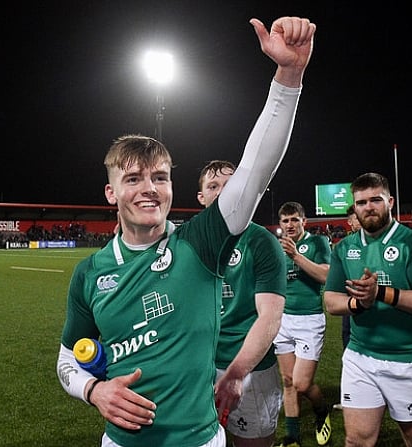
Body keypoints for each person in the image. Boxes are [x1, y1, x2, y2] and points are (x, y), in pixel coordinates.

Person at [55, 16, 316, 447]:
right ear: (110, 192)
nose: (149, 189)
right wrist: (94, 390)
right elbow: (68, 359)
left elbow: (254, 169)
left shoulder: (200, 243)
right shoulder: (90, 273)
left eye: (159, 177)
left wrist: (289, 76)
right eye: (134, 178)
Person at [323, 173, 412, 447]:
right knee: (356, 440)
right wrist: (359, 303)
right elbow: (331, 301)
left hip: (410, 358)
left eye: (375, 200)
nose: (369, 207)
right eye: (362, 202)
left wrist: (381, 294)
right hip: (360, 357)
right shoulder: (345, 248)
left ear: (389, 201)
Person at [197, 160, 286, 447]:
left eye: (231, 185)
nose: (224, 192)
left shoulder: (261, 241)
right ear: (201, 198)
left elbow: (270, 317)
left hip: (249, 371)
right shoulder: (187, 241)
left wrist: (237, 373)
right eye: (213, 186)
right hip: (198, 368)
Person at [274, 201, 332, 447]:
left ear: (304, 221)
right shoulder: (278, 248)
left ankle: (321, 410)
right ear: (280, 225)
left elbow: (326, 275)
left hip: (309, 320)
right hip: (283, 319)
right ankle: (292, 437)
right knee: (287, 381)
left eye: (294, 219)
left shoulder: (318, 243)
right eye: (285, 221)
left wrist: (295, 255)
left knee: (302, 383)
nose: (290, 225)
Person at [341, 204, 361, 350]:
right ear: (350, 222)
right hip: (350, 300)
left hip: (377, 298)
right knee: (348, 335)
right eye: (356, 218)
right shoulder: (345, 246)